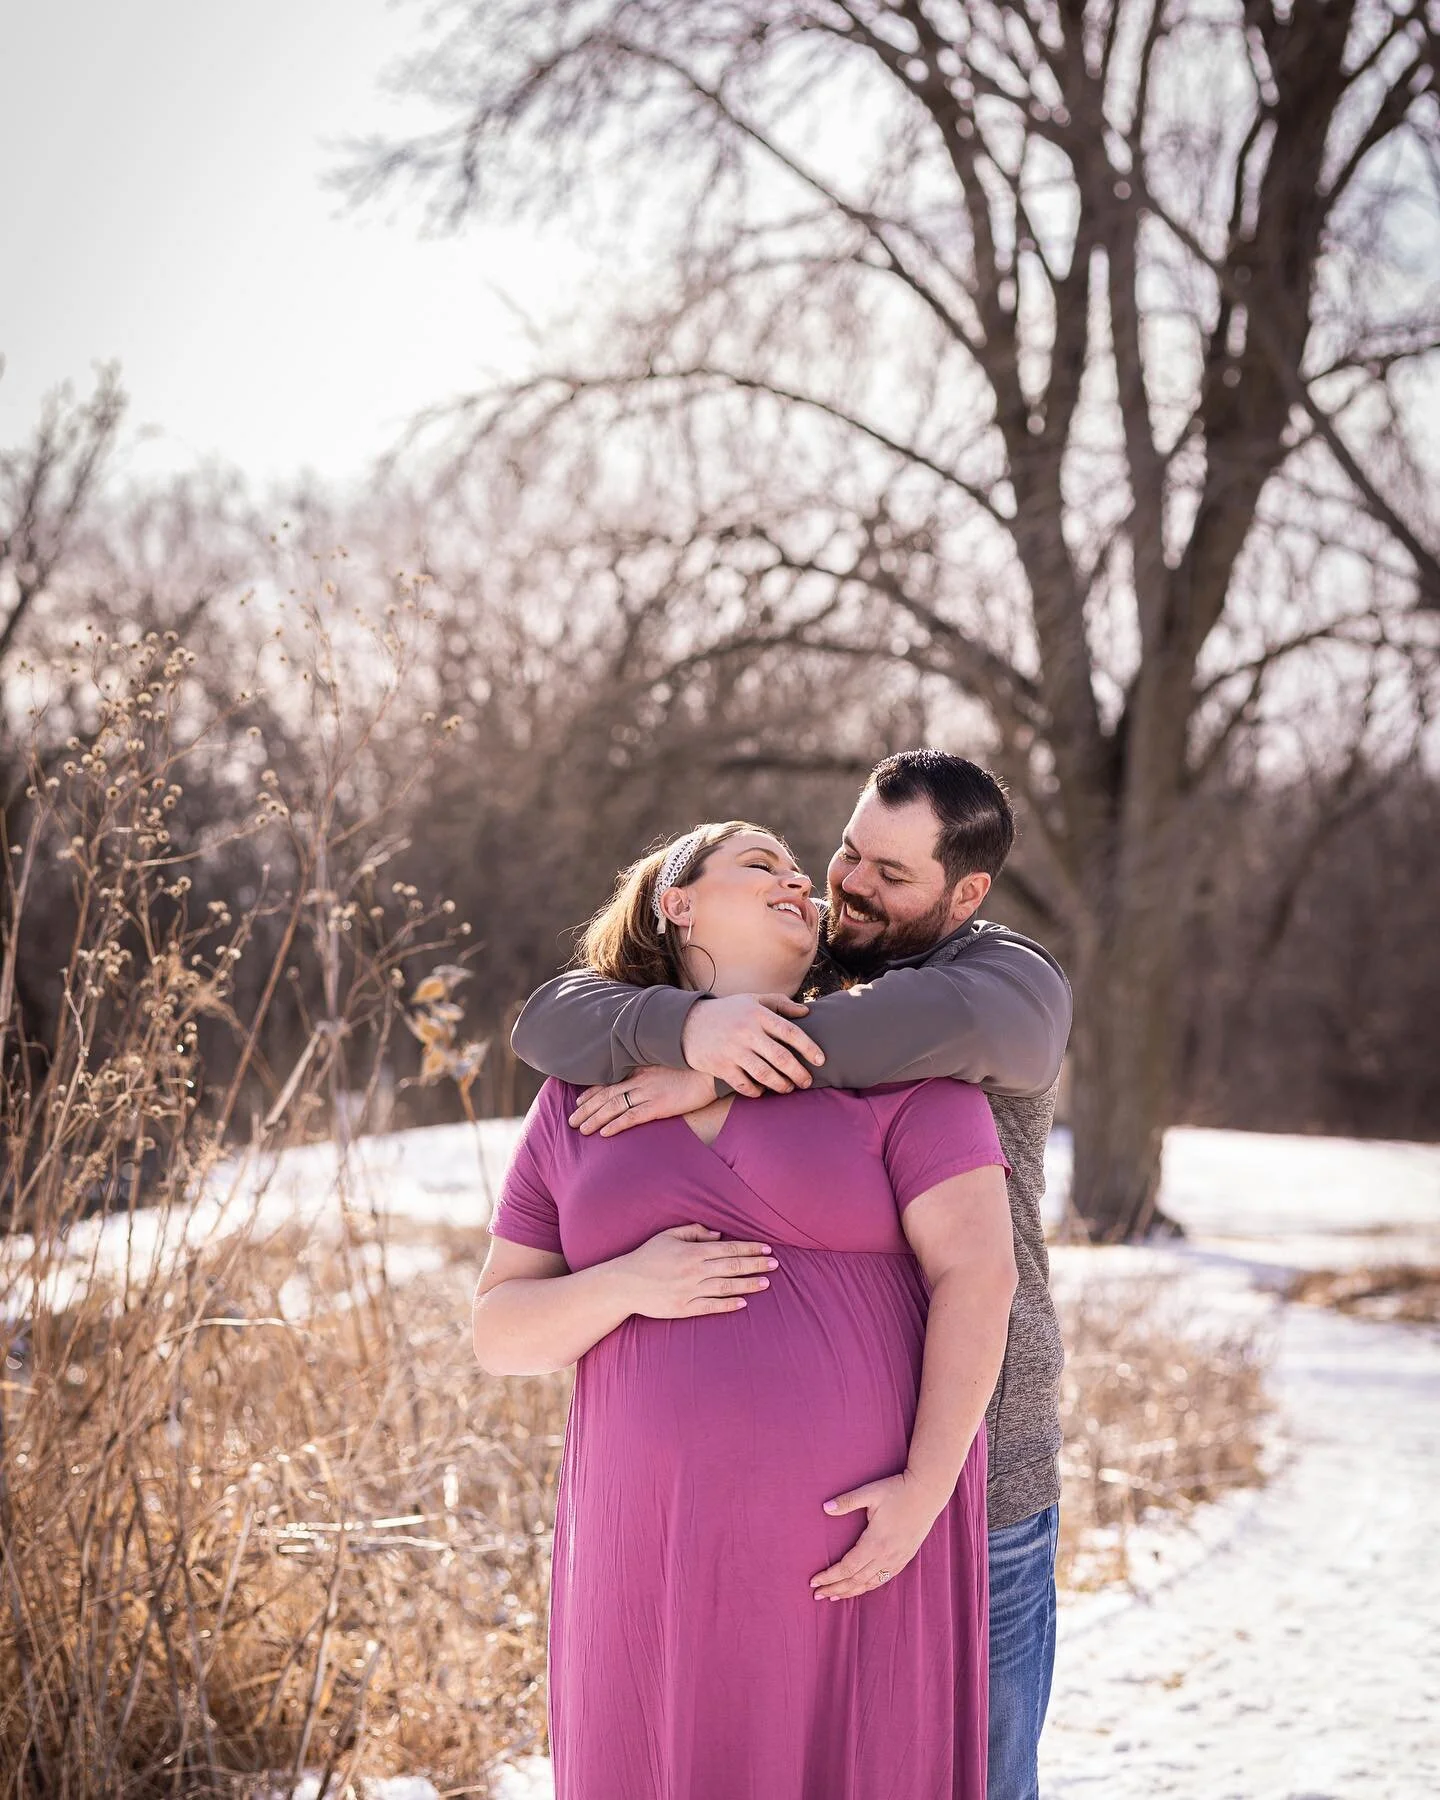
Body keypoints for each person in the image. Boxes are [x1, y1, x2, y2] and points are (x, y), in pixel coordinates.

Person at [511, 751, 1072, 1800]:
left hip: (983, 1463)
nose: (850, 884)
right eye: (848, 852)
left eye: (892, 876)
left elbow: (934, 1073)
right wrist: (684, 1025)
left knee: (974, 1775)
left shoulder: (996, 985)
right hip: (734, 1524)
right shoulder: (799, 969)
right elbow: (551, 1022)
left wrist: (715, 1056)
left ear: (966, 894)